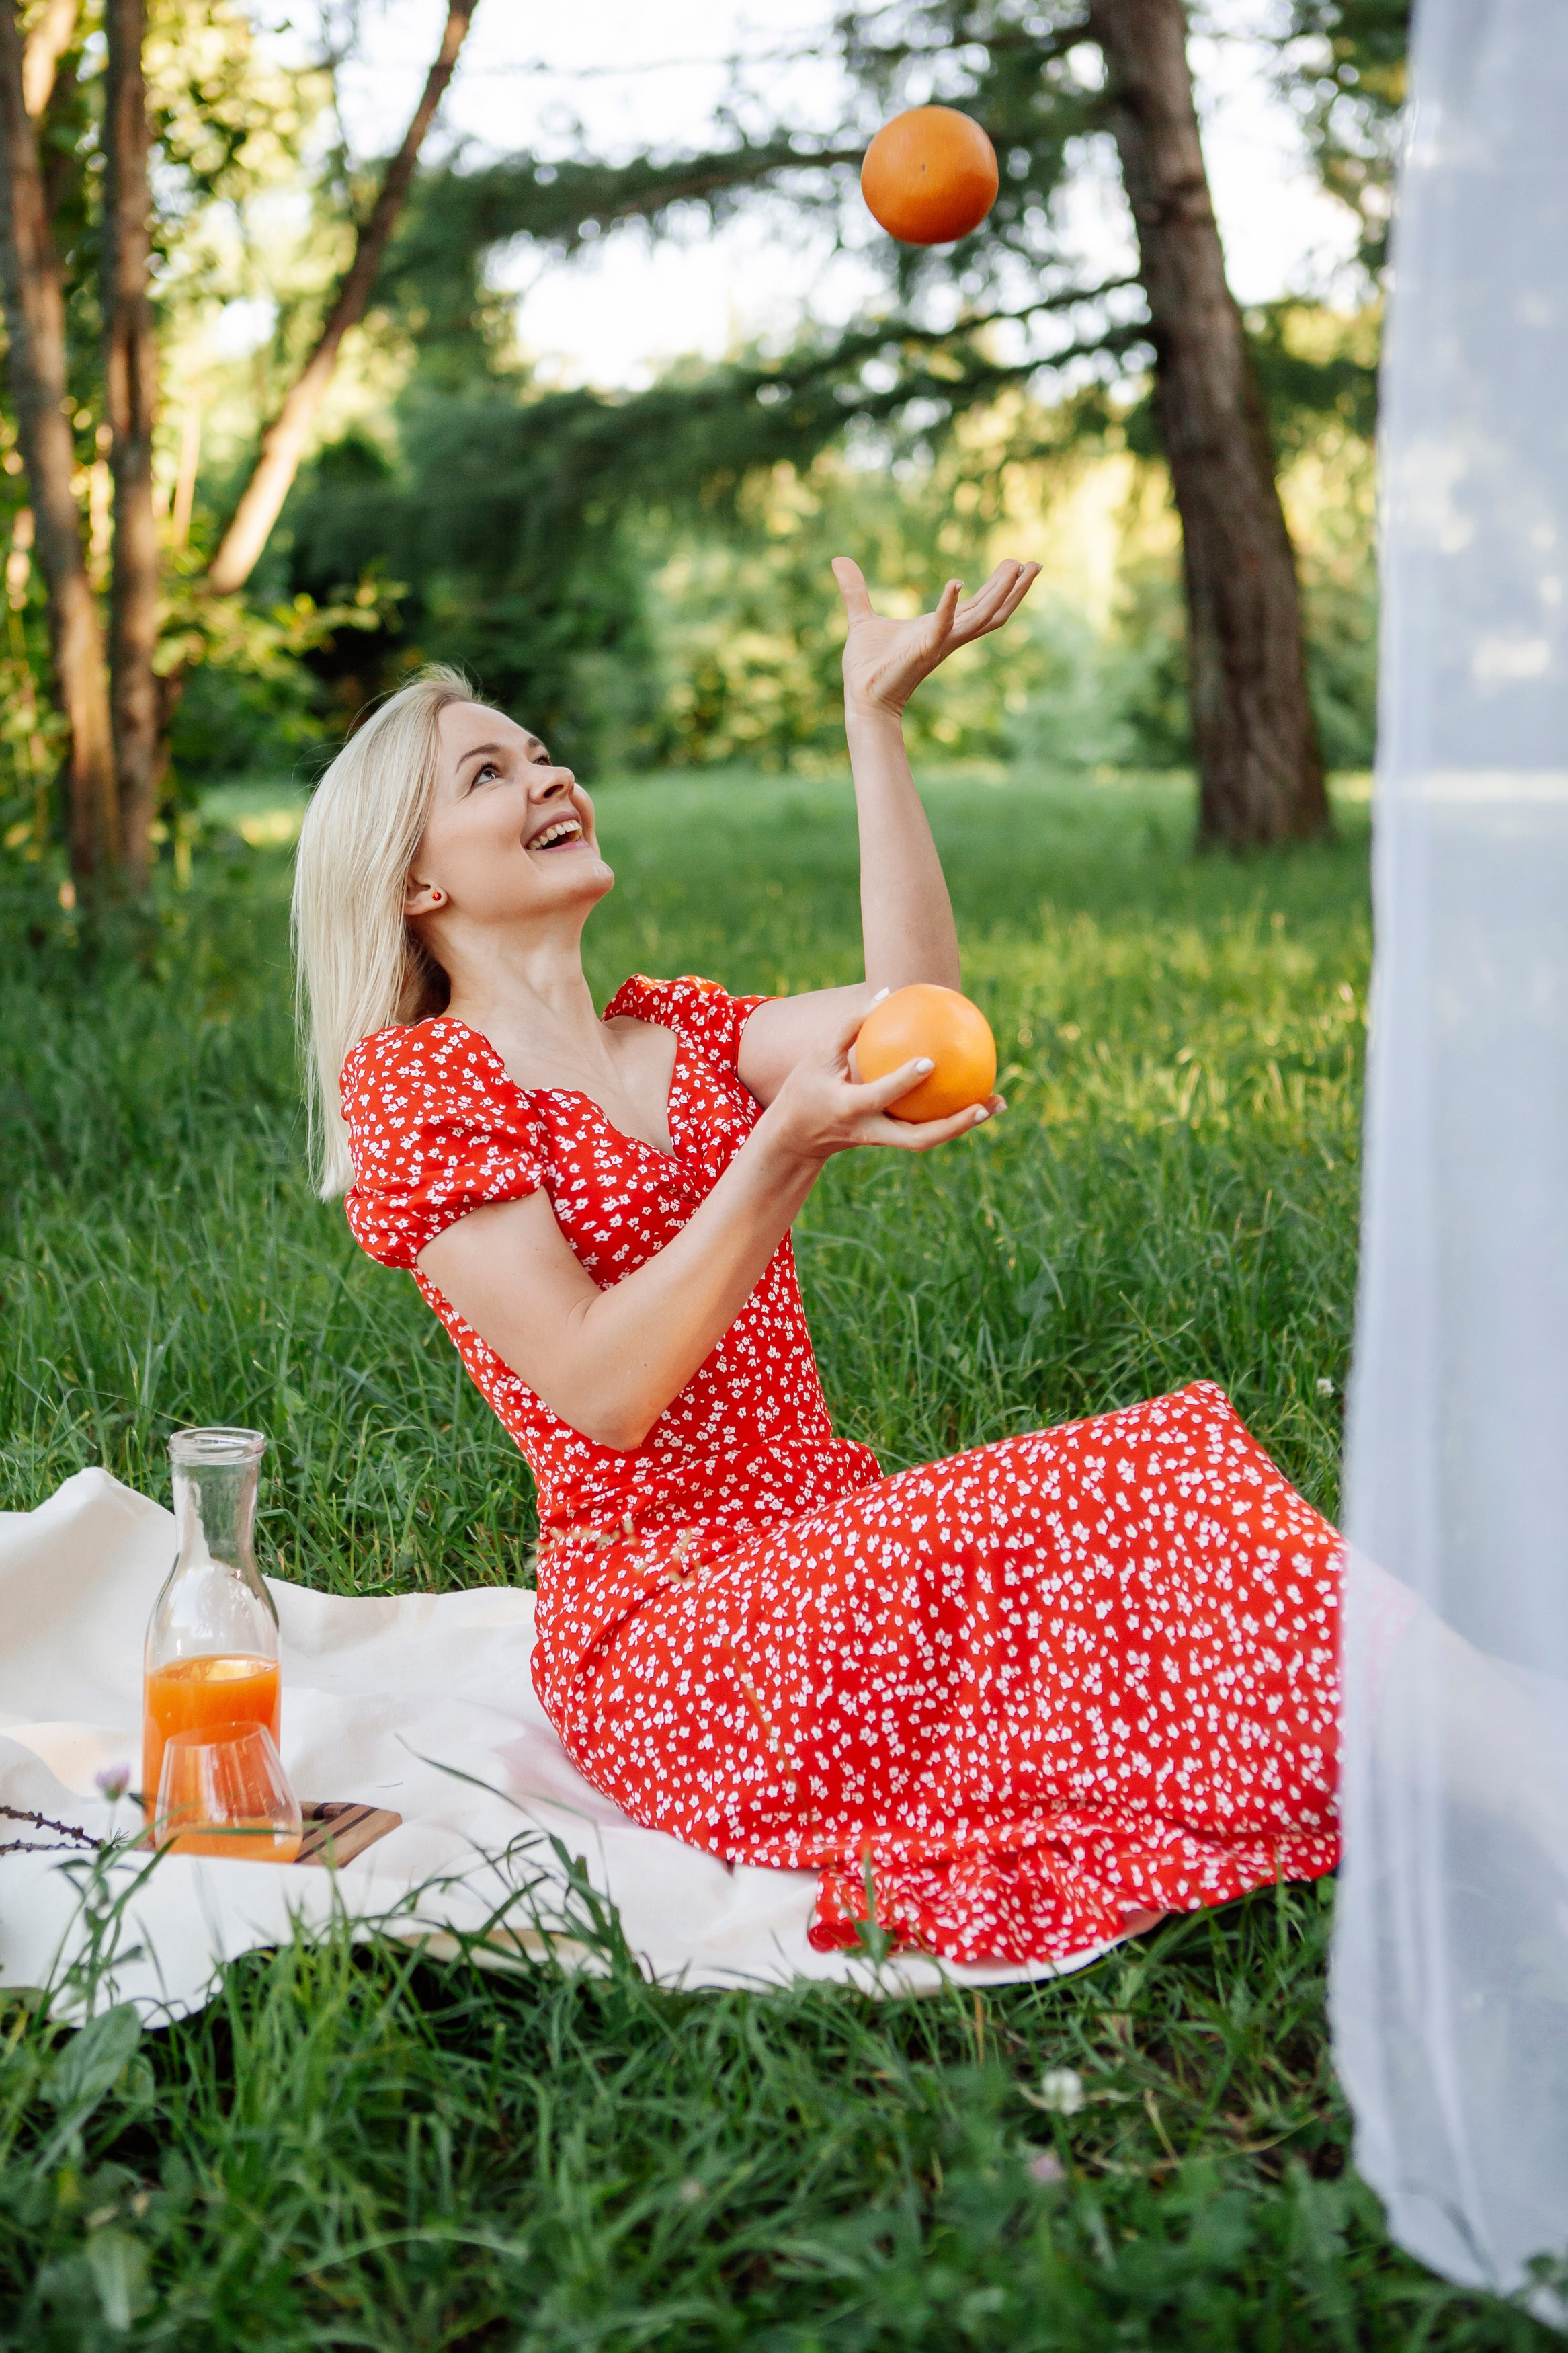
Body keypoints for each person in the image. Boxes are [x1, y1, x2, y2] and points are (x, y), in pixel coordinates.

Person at [292, 557, 1342, 1966]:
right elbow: (605, 1388)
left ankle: (1465, 1740)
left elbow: (925, 1029)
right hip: (675, 1642)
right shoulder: (423, 1096)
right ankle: (1480, 1753)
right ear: (415, 874)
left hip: (827, 1535)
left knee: (1171, 1491)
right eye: (489, 773)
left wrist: (875, 723)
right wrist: (775, 1157)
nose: (550, 778)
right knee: (1148, 1476)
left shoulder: (683, 1032)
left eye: (545, 755)